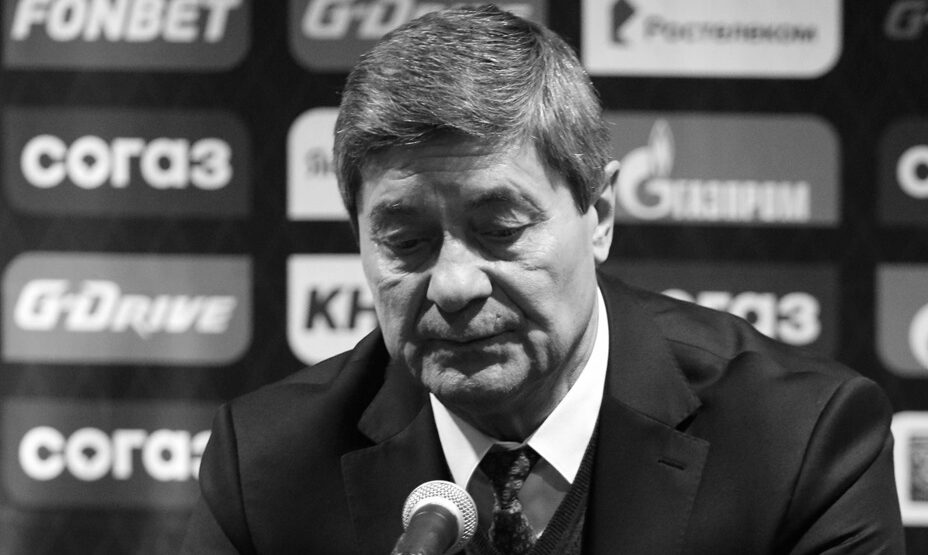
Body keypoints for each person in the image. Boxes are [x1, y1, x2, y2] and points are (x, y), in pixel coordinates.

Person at [181, 5, 905, 554]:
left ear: (600, 216)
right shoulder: (267, 468)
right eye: (406, 242)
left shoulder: (797, 442)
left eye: (500, 230)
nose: (453, 285)